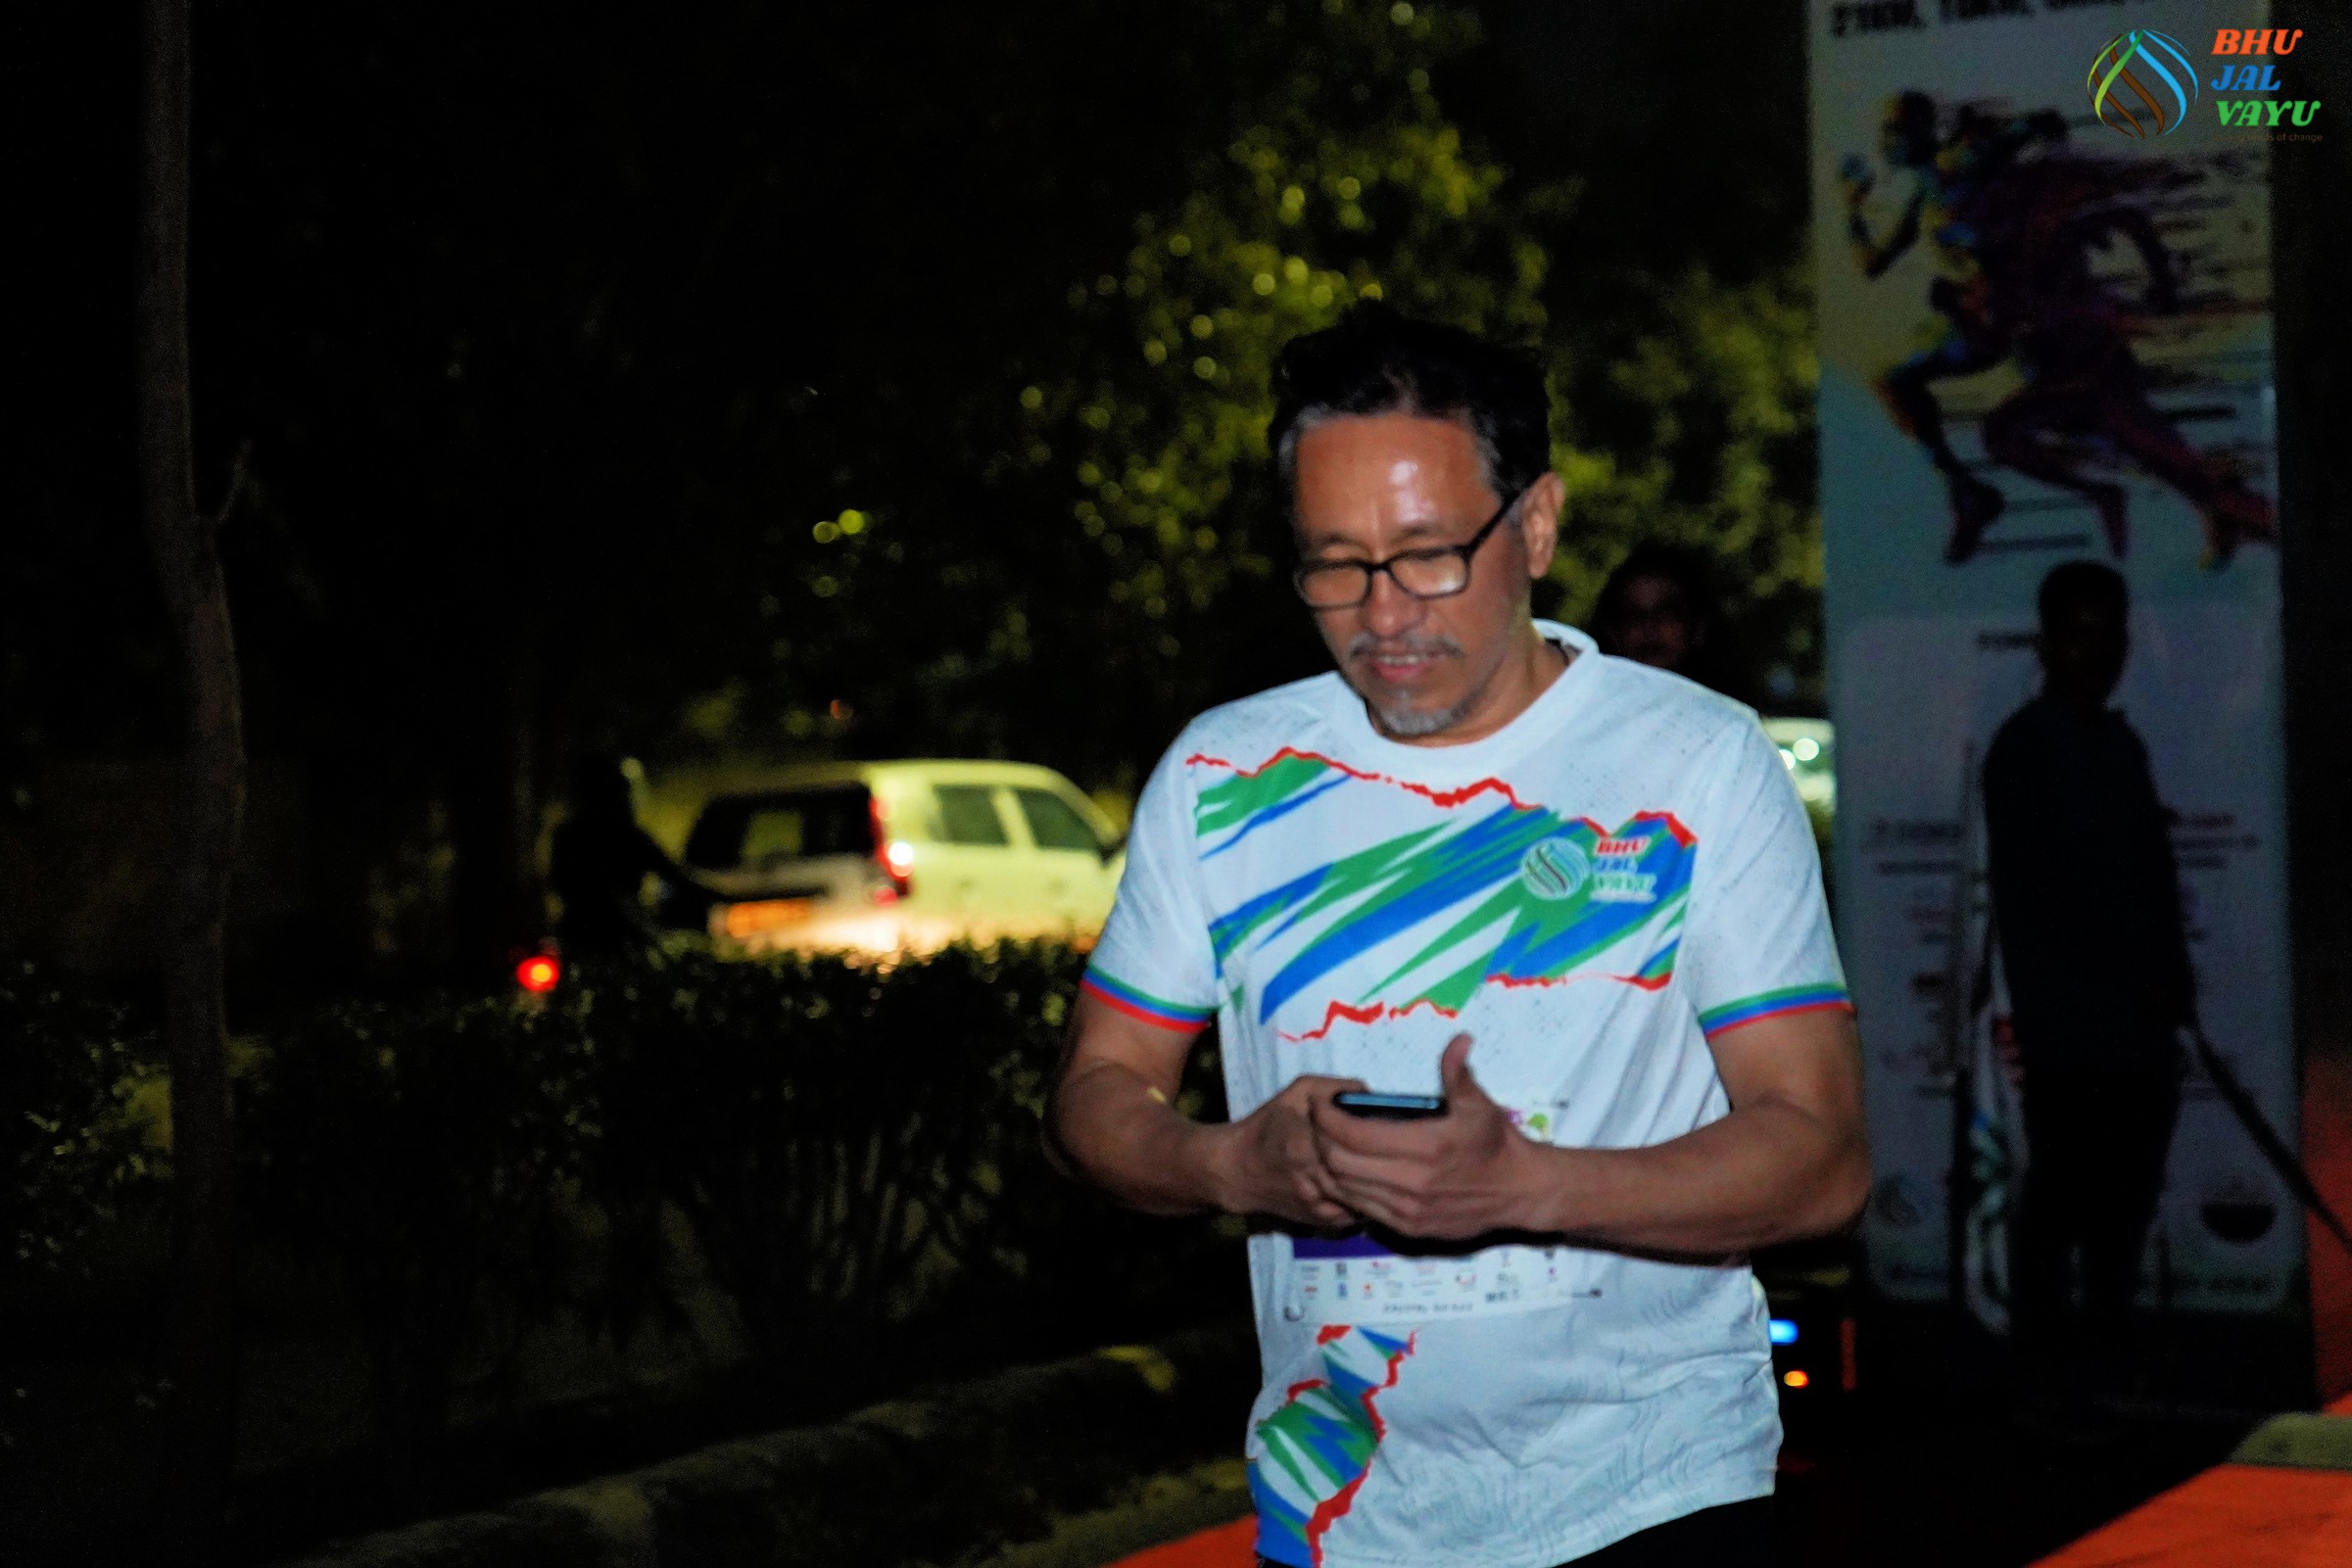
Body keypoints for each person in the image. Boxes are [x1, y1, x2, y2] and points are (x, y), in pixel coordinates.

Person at [1049, 307, 1867, 1567]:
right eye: (1335, 563)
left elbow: (1820, 1156)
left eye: (1428, 555)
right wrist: (1230, 1165)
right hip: (1340, 1513)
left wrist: (1528, 1186)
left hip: (1653, 1492)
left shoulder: (1695, 761)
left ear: (1534, 524)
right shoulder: (1224, 775)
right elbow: (1095, 1092)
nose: (1382, 614)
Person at [1983, 562, 2190, 1399]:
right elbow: (2052, 897)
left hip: (2136, 1027)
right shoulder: (2026, 748)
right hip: (2070, 1027)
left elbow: (2145, 881)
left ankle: (2102, 1357)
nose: (2096, 652)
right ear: (2045, 642)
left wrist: (2166, 984)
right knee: (2066, 1198)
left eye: (2108, 635)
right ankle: (2044, 1368)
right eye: (2078, 634)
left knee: (2121, 1205)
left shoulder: (2117, 742)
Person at [548, 753, 709, 955]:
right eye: (620, 790)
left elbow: (677, 878)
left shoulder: (569, 835)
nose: (629, 798)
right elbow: (676, 880)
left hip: (581, 936)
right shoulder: (623, 837)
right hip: (611, 939)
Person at [1588, 542, 1750, 704]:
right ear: (1612, 632)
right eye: (1632, 615)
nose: (1649, 626)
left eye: (1666, 612)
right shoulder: (1589, 708)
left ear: (1699, 626)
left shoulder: (1733, 713)